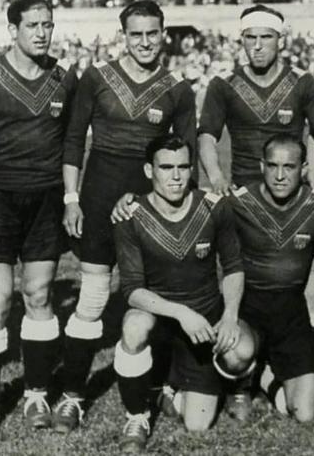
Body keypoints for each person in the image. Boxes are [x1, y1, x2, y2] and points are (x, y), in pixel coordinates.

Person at [54, 0, 198, 432]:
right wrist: (71, 198)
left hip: (151, 206)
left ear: (163, 34)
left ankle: (163, 385)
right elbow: (74, 140)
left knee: (156, 300)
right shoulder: (97, 77)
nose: (145, 42)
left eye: (152, 33)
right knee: (94, 296)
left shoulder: (178, 88)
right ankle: (72, 395)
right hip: (98, 200)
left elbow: (185, 157)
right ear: (123, 36)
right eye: (136, 34)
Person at [0, 0, 79, 444]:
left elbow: (72, 143)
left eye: (48, 24)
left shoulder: (64, 77)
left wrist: (68, 196)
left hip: (45, 200)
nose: (42, 33)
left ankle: (37, 393)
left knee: (40, 293)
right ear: (12, 30)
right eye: (32, 25)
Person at [188, 4, 314, 329]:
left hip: (293, 192)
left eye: (265, 37)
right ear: (241, 40)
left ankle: (308, 320)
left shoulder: (303, 82)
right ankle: (245, 332)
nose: (257, 45)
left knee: (305, 258)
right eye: (250, 37)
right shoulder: (223, 84)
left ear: (280, 39)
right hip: (246, 191)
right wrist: (216, 176)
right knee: (244, 266)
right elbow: (206, 137)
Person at [110, 135, 256, 453]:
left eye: (183, 167)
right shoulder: (131, 215)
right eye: (166, 167)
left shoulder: (214, 207)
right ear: (149, 170)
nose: (176, 176)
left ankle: (185, 384)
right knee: (133, 325)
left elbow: (233, 267)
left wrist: (230, 316)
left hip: (204, 320)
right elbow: (132, 290)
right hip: (162, 317)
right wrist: (180, 312)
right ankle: (136, 416)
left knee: (200, 422)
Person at [224, 134, 314, 423]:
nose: (279, 176)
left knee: (306, 414)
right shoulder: (238, 202)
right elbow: (188, 211)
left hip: (292, 311)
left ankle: (266, 376)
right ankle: (239, 386)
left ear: (303, 168)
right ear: (261, 165)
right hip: (247, 305)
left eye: (289, 167)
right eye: (272, 166)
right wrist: (130, 201)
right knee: (236, 353)